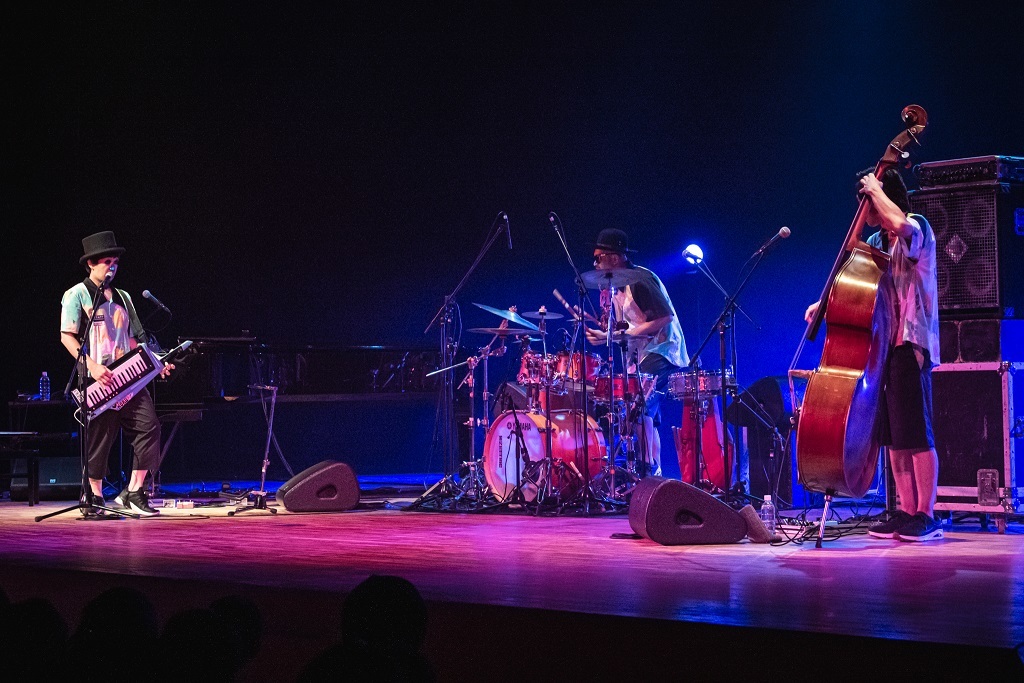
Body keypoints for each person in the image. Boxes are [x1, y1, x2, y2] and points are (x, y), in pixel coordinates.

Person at [804, 167, 942, 542]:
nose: (866, 212)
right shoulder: (880, 241)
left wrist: (875, 189)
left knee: (915, 433)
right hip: (882, 347)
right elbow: (860, 277)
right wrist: (826, 302)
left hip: (908, 344)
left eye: (869, 203)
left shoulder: (916, 226)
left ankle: (926, 515)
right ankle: (904, 510)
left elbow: (900, 222)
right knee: (893, 438)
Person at [60, 231, 172, 517]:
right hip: (98, 379)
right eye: (106, 262)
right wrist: (92, 367)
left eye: (115, 262)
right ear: (91, 265)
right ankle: (94, 497)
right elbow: (67, 337)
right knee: (100, 438)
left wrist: (157, 362)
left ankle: (134, 492)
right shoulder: (77, 295)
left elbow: (136, 338)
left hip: (129, 379)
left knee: (150, 427)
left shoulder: (123, 297)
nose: (112, 267)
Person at [585, 228, 688, 477]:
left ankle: (645, 469)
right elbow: (626, 328)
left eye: (598, 257)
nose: (594, 263)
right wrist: (606, 335)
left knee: (638, 407)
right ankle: (656, 475)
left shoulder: (640, 279)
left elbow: (665, 316)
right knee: (647, 416)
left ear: (614, 258)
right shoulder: (615, 288)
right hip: (642, 355)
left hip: (663, 350)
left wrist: (624, 335)